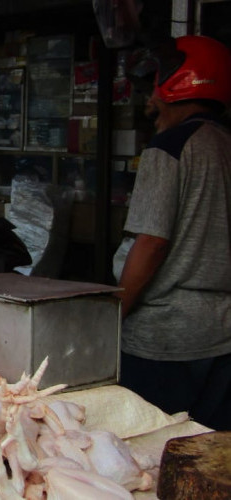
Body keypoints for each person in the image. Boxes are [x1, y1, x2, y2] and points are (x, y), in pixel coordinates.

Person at [115, 35, 231, 430]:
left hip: (165, 341)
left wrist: (113, 314)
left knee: (152, 454)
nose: (150, 103)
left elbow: (151, 242)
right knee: (209, 451)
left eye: (154, 89)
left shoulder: (170, 147)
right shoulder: (225, 145)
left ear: (177, 84)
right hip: (222, 333)